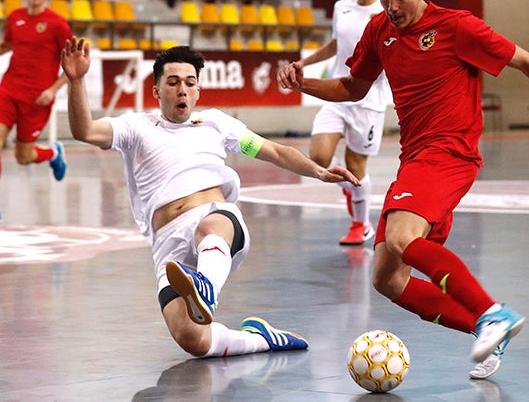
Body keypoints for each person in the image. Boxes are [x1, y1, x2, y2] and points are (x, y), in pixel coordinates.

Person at [277, 0, 529, 380]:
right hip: (415, 158)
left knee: (404, 237)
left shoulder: (457, 27)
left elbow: (526, 62)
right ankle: (488, 332)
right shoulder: (378, 30)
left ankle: (492, 313)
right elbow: (354, 86)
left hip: (450, 152)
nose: (392, 7)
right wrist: (304, 83)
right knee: (387, 278)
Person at [62, 41, 361, 358]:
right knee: (194, 340)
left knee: (210, 226)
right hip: (168, 243)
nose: (182, 91)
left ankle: (205, 284)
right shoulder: (136, 127)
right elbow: (85, 131)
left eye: (190, 84)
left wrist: (318, 171)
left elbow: (273, 151)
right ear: (156, 91)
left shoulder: (217, 124)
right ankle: (261, 339)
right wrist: (76, 81)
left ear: (198, 91)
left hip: (217, 221)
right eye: (173, 83)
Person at [291, 0, 390, 246]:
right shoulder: (341, 7)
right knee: (319, 158)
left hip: (369, 100)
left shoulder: (384, 13)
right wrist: (304, 62)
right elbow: (335, 45)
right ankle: (347, 186)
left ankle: (361, 224)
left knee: (356, 165)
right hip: (337, 94)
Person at [0, 0, 72, 224]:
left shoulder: (57, 24)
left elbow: (72, 64)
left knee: (23, 157)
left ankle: (52, 153)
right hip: (9, 90)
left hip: (37, 100)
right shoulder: (15, 17)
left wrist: (52, 89)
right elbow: (6, 46)